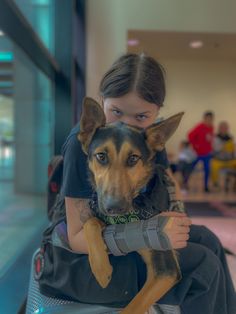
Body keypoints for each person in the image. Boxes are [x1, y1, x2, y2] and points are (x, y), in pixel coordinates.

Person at [60, 53, 235, 314]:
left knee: (208, 239)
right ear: (102, 101)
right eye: (116, 112)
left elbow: (165, 182)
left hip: (134, 224)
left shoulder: (149, 140)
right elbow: (76, 237)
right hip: (85, 257)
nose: (127, 126)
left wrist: (173, 218)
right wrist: (148, 232)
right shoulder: (81, 145)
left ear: (156, 114)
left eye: (141, 117)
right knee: (202, 265)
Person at [188, 111, 214, 192]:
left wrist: (211, 148)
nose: (209, 120)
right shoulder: (200, 126)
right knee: (190, 167)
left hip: (207, 153)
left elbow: (210, 139)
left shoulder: (212, 127)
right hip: (198, 153)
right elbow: (190, 135)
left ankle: (206, 187)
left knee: (207, 169)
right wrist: (195, 145)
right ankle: (185, 183)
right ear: (204, 118)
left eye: (211, 119)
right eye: (207, 119)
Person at [211, 121, 236, 188]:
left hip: (230, 160)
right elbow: (215, 149)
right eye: (222, 128)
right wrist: (223, 146)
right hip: (218, 160)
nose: (224, 129)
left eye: (225, 128)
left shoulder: (230, 138)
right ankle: (215, 183)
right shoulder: (215, 138)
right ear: (219, 129)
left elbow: (232, 150)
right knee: (213, 165)